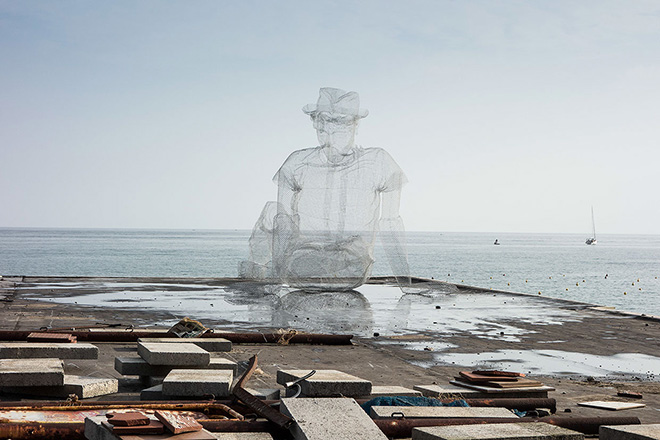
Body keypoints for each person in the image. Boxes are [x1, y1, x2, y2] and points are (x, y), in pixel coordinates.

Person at [240, 87, 411, 291]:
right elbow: (284, 225)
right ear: (317, 126)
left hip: (346, 272)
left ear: (354, 128)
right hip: (311, 271)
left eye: (338, 129)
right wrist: (407, 286)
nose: (329, 137)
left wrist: (406, 285)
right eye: (323, 129)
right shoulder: (298, 163)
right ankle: (269, 281)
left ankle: (268, 282)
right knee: (275, 211)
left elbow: (390, 224)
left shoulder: (375, 162)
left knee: (274, 211)